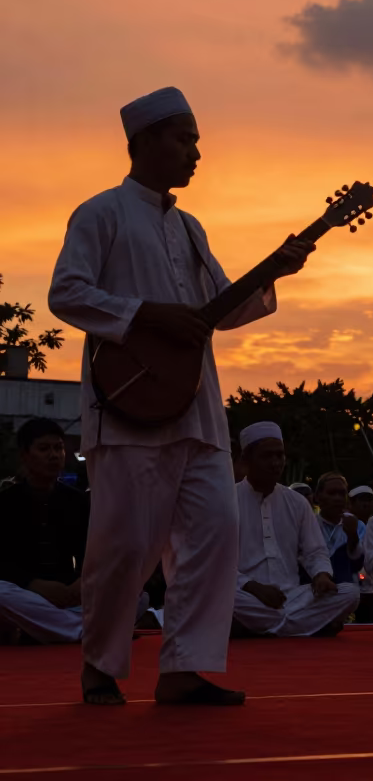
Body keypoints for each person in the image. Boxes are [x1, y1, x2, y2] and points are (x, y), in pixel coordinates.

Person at [48, 86, 314, 706]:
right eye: (183, 139)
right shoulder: (101, 213)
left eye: (196, 140)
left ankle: (183, 670)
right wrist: (145, 316)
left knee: (216, 534)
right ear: (143, 143)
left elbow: (221, 309)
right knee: (125, 546)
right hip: (130, 406)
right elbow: (67, 294)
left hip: (197, 409)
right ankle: (100, 665)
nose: (196, 152)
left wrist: (276, 270)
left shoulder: (191, 229)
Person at [233, 423, 359, 637]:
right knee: (217, 596)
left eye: (279, 455)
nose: (276, 463)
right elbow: (216, 562)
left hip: (290, 596)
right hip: (246, 595)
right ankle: (307, 626)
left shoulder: (297, 502)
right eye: (267, 456)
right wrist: (252, 587)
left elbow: (315, 551)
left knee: (350, 592)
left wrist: (321, 575)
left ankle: (259, 629)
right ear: (246, 461)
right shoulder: (226, 501)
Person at [0, 419, 91, 644]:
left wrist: (80, 583)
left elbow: (91, 552)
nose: (54, 455)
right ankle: (78, 629)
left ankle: (50, 626)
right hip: (24, 594)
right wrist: (33, 584)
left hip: (68, 594)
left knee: (135, 594)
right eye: (44, 449)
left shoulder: (78, 501)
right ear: (25, 454)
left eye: (58, 447)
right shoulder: (5, 502)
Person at [313, 473, 364, 587]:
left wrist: (353, 536)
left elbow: (358, 566)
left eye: (342, 493)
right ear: (317, 496)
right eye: (331, 493)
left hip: (348, 593)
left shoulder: (354, 523)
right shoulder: (308, 524)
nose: (337, 498)